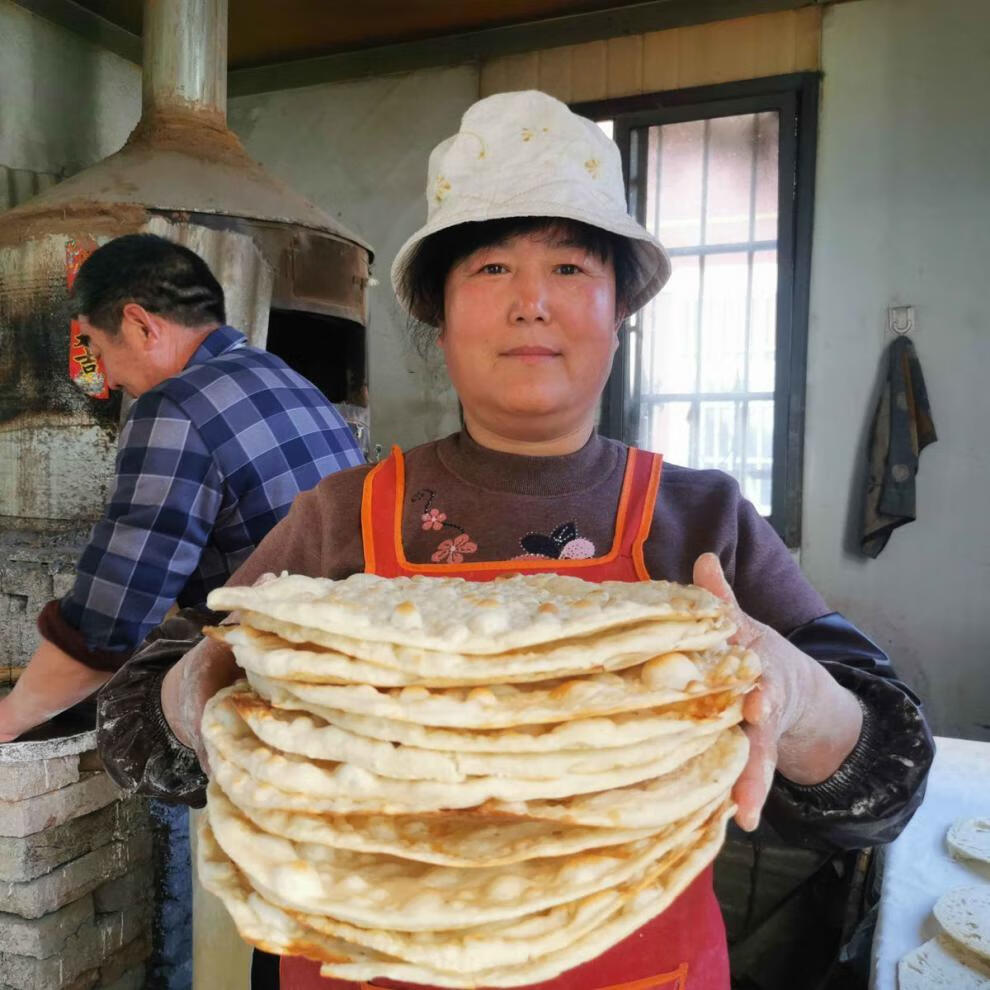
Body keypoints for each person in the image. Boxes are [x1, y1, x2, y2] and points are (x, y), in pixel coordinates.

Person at [98, 93, 933, 990]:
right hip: (363, 957)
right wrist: (205, 688)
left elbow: (887, 780)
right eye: (492, 267)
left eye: (570, 267)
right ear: (441, 316)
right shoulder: (343, 515)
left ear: (620, 310)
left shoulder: (700, 521)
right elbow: (137, 726)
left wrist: (792, 692)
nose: (531, 302)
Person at [0, 233, 364, 741]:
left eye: (98, 348)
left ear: (140, 325)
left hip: (277, 700)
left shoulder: (174, 407)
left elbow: (112, 614)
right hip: (353, 680)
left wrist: (10, 719)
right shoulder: (284, 376)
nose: (106, 376)